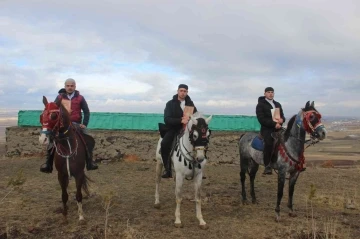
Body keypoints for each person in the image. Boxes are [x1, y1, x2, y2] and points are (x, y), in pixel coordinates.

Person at [40, 78, 98, 173]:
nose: (70, 87)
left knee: (87, 139)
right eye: (68, 86)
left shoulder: (80, 98)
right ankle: (48, 163)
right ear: (65, 86)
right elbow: (53, 111)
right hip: (62, 125)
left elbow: (86, 111)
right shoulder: (59, 97)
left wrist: (84, 124)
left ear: (75, 86)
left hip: (76, 124)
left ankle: (89, 162)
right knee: (51, 140)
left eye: (72, 86)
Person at [161, 84, 197, 178]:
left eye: (185, 91)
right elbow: (167, 119)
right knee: (164, 144)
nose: (183, 93)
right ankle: (167, 169)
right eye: (181, 90)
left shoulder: (191, 104)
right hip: (173, 129)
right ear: (177, 91)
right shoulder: (170, 104)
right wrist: (180, 120)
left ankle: (198, 168)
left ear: (187, 92)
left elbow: (196, 116)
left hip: (187, 130)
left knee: (200, 142)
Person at [256, 87, 285, 175]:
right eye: (268, 92)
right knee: (269, 142)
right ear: (265, 93)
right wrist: (273, 124)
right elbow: (261, 119)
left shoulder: (277, 104)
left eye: (272, 92)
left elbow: (282, 116)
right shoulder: (260, 105)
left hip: (278, 128)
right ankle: (267, 165)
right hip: (267, 129)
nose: (270, 94)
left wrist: (282, 120)